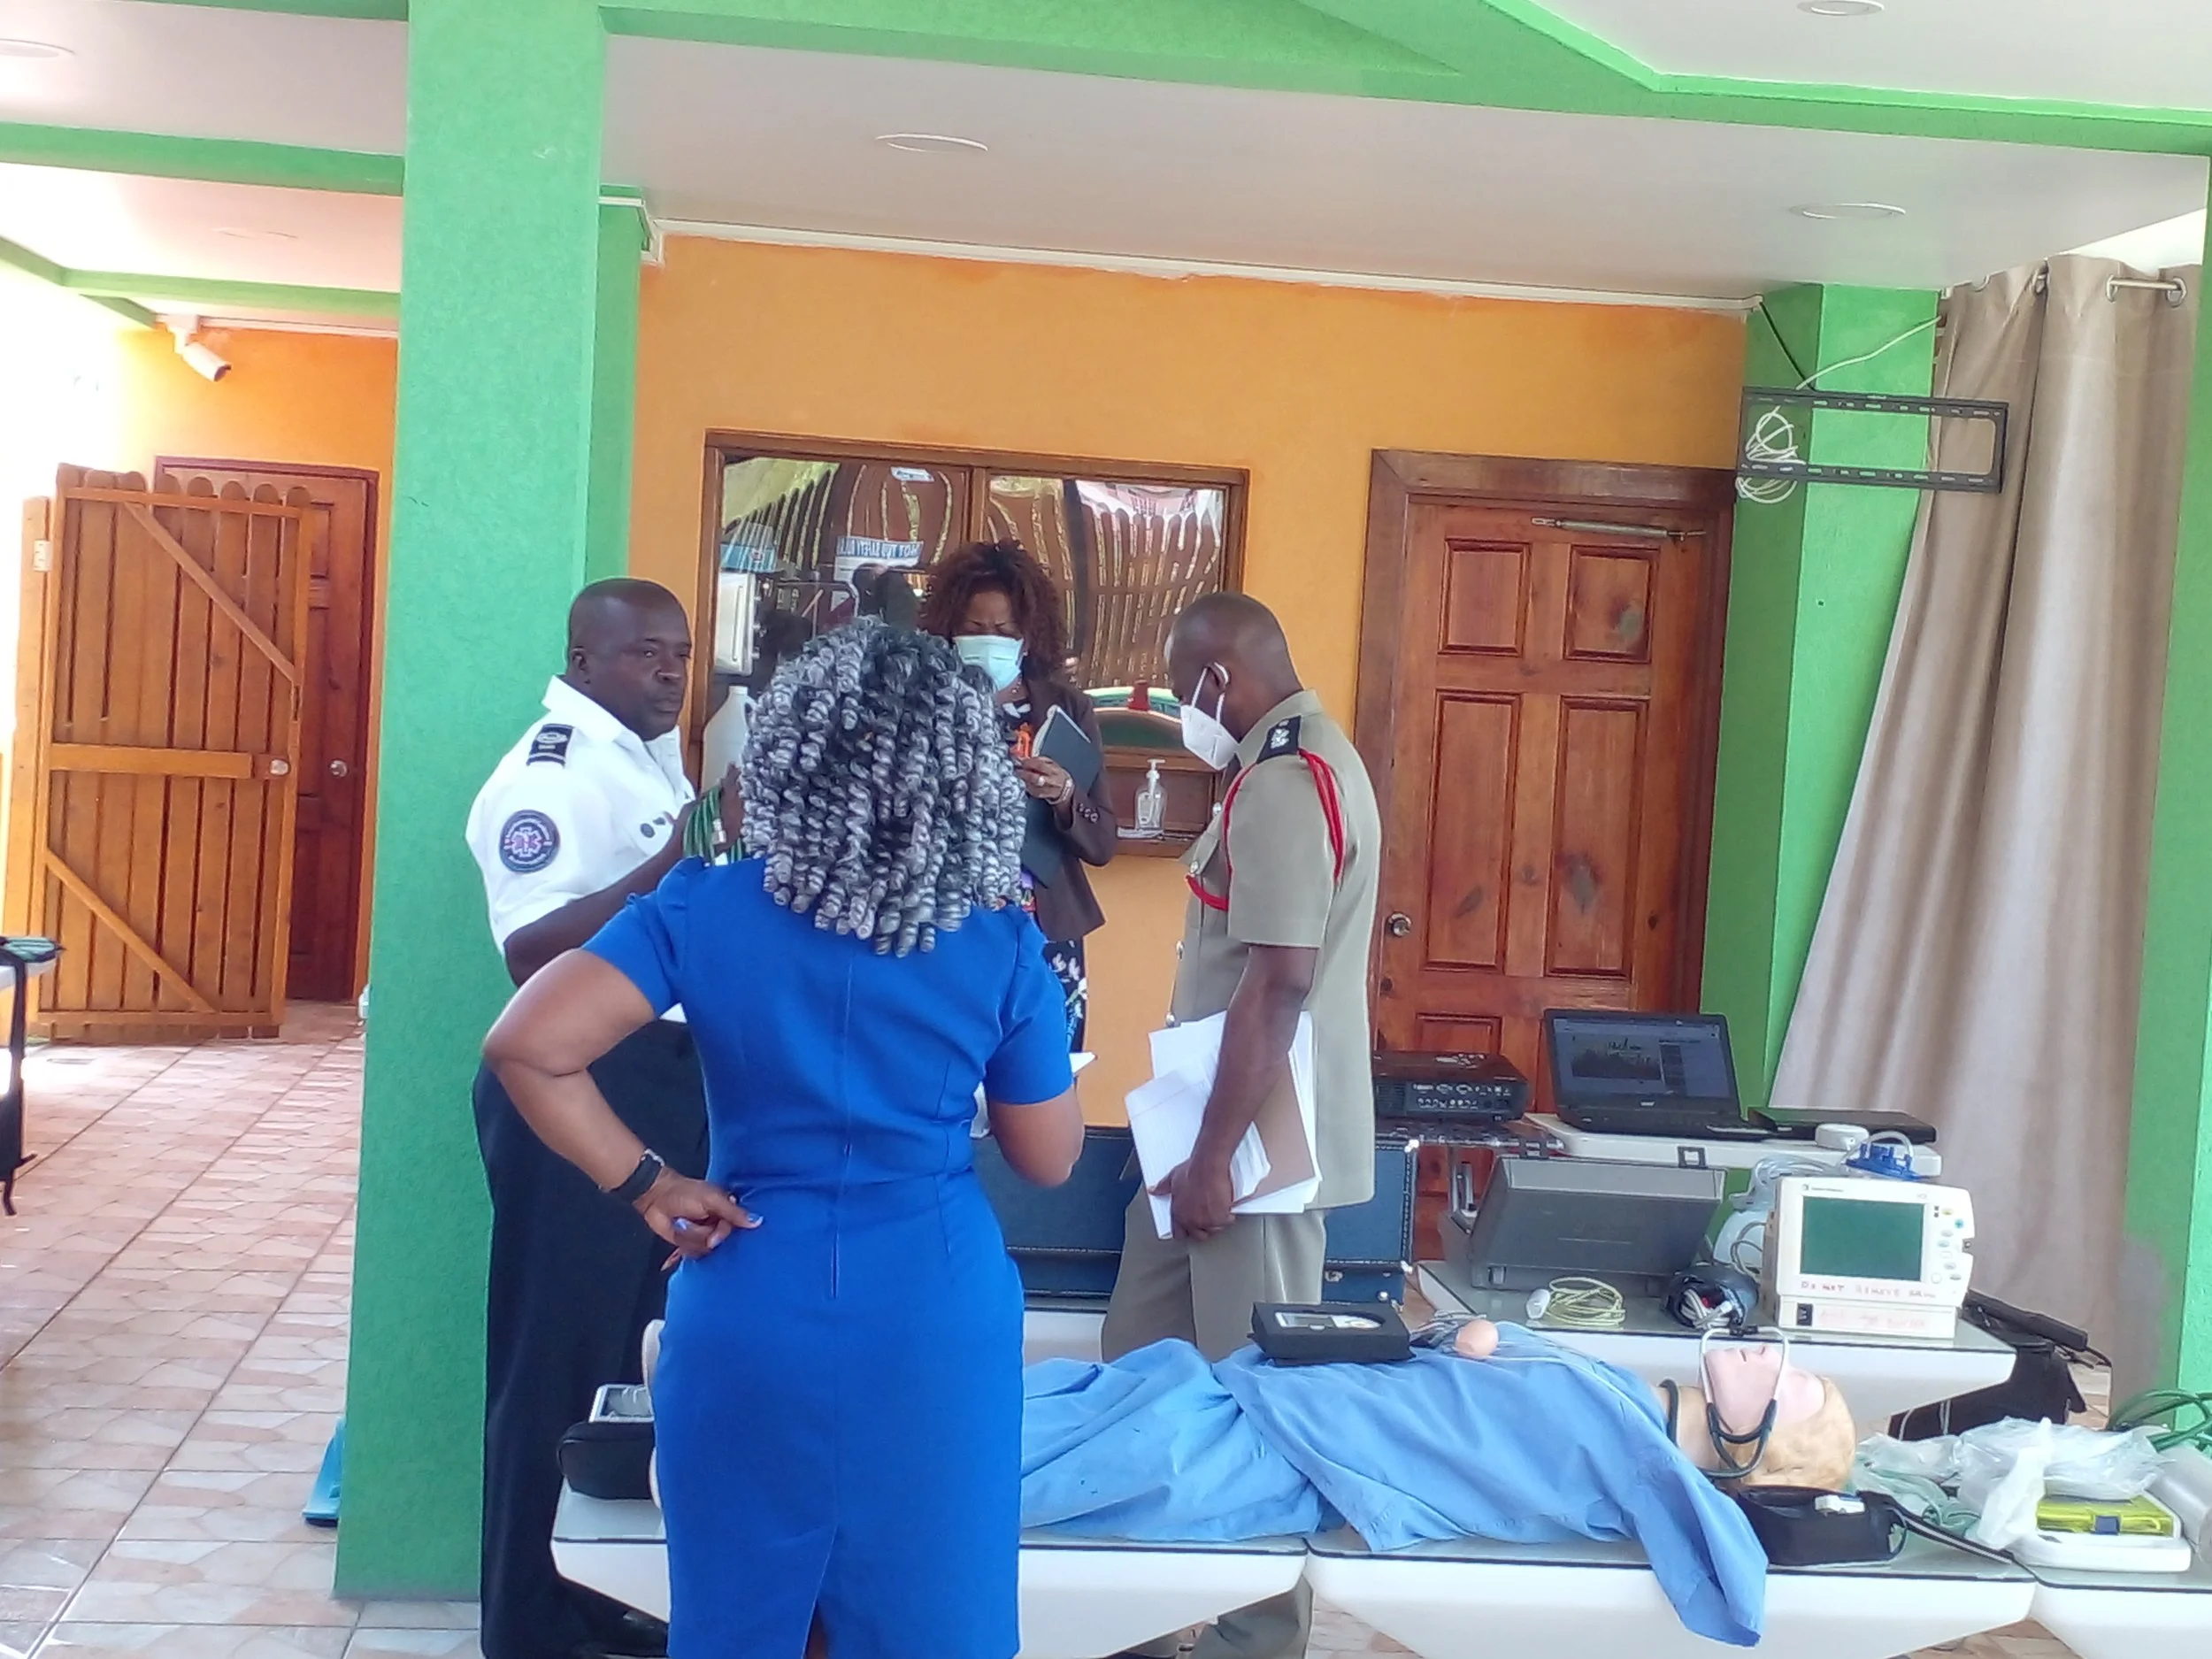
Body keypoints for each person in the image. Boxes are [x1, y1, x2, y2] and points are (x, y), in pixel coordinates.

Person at [482, 619, 1086, 1659]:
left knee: (741, 1620)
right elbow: (1049, 1158)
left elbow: (527, 1046)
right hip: (932, 1314)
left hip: (750, 1294)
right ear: (961, 774)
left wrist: (649, 1184)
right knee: (932, 1622)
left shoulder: (702, 907)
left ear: (787, 759)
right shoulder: (999, 936)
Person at [1100, 591, 1381, 1659]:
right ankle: (1132, 1610)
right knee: (1139, 1365)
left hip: (1254, 1152)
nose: (1182, 712)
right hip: (1205, 1136)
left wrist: (1215, 1158)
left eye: (1183, 689)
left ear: (1219, 679)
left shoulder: (1284, 781)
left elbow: (1279, 985)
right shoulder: (1280, 764)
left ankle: (1258, 1639)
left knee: (1255, 1397)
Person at [462, 578, 718, 1659]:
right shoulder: (548, 776)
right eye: (643, 655)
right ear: (581, 656)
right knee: (555, 1361)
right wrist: (679, 861)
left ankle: (592, 1597)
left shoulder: (646, 758)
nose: (667, 673)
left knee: (621, 1358)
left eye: (679, 654)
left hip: (649, 1076)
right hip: (572, 1086)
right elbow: (530, 956)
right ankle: (527, 1619)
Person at [918, 540, 1116, 1048]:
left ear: (1028, 636)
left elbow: (1103, 842)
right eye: (975, 630)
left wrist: (1065, 794)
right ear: (949, 632)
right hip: (944, 929)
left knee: (1042, 1075)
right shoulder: (920, 701)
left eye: (1005, 632)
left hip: (1042, 933)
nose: (991, 641)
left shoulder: (1068, 709)